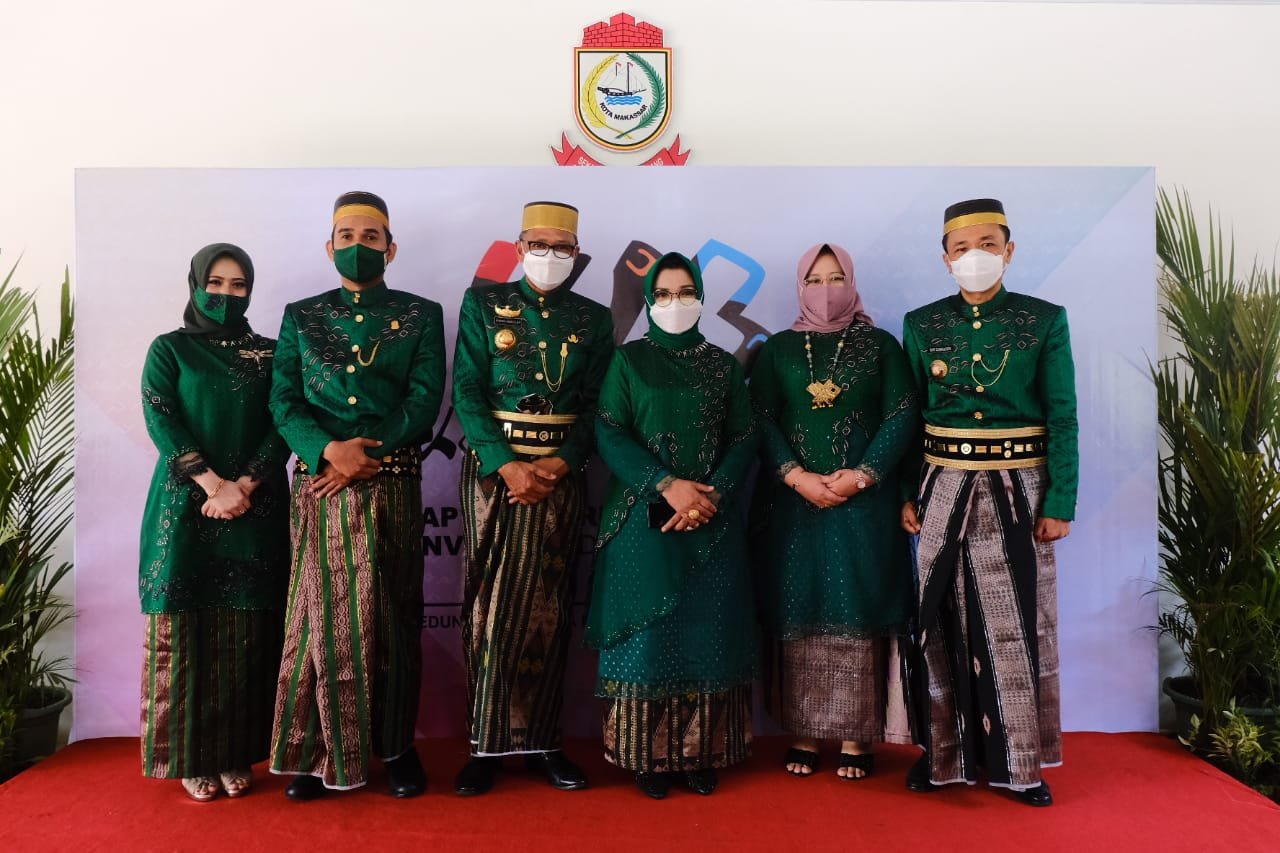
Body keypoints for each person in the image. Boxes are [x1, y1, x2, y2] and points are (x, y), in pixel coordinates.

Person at [268, 191, 446, 800]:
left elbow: (424, 400)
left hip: (391, 481)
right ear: (329, 246)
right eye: (347, 236)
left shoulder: (421, 314)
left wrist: (362, 456)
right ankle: (318, 751)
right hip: (319, 484)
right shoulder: (301, 316)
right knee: (320, 621)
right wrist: (326, 450)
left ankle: (396, 748)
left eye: (371, 237)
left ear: (390, 249)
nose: (358, 246)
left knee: (393, 616)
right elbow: (284, 400)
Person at [900, 198, 1076, 807]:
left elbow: (1063, 415)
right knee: (938, 617)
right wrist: (905, 493)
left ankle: (1022, 764)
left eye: (987, 245)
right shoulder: (922, 323)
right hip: (941, 482)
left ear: (1009, 250)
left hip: (1019, 487)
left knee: (1016, 621)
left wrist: (1061, 500)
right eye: (961, 248)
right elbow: (910, 416)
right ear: (944, 258)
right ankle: (940, 756)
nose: (974, 256)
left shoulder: (1044, 320)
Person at [451, 201, 614, 795]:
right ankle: (485, 745)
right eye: (538, 245)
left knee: (549, 605)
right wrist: (505, 464)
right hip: (493, 475)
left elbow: (597, 404)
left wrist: (562, 461)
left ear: (576, 253)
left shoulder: (593, 318)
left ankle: (544, 741)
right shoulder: (483, 305)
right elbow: (467, 388)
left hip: (559, 476)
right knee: (487, 607)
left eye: (561, 247)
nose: (549, 256)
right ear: (520, 248)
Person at [585, 252, 758, 800]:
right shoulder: (629, 361)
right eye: (663, 294)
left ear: (701, 298)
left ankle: (701, 755)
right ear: (649, 300)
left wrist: (711, 493)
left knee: (707, 633)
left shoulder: (723, 365)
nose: (675, 303)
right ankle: (646, 757)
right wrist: (665, 484)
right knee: (649, 638)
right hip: (641, 519)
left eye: (686, 293)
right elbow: (609, 430)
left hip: (710, 520)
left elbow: (744, 436)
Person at [750, 243, 916, 780]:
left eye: (837, 277)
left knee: (859, 606)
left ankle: (856, 735)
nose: (826, 290)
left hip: (863, 506)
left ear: (853, 281)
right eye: (815, 280)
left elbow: (902, 414)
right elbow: (761, 418)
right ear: (800, 287)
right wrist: (794, 475)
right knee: (799, 606)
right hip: (793, 506)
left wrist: (863, 475)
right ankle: (802, 731)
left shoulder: (881, 346)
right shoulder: (778, 349)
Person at [138, 242, 290, 801]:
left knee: (247, 634)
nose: (226, 294)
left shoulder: (272, 353)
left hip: (256, 506)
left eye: (238, 285)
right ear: (196, 284)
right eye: (216, 283)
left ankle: (235, 753)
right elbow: (161, 416)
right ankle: (190, 757)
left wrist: (243, 485)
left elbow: (284, 420)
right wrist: (211, 484)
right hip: (186, 505)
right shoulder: (170, 349)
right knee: (187, 630)